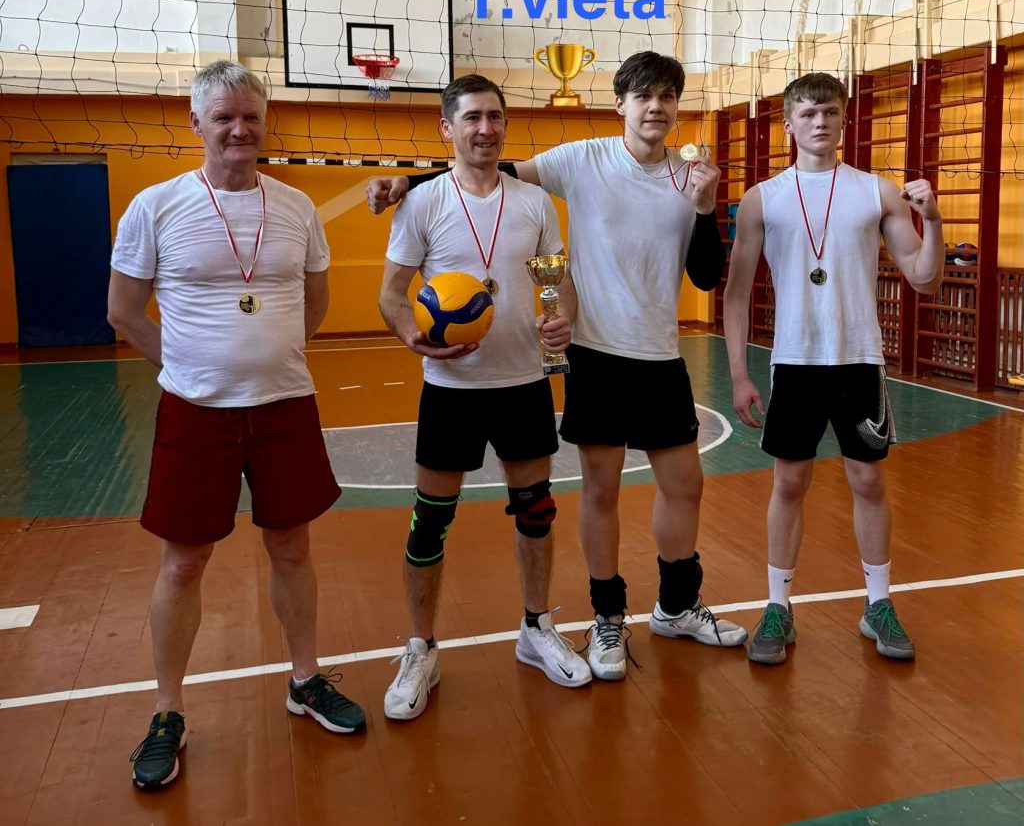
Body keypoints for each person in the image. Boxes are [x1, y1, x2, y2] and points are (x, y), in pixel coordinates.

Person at [368, 52, 747, 683]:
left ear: (678, 107)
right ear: (620, 104)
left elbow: (704, 276)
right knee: (595, 491)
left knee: (685, 485)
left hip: (656, 352)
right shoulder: (581, 159)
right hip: (593, 354)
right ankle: (605, 617)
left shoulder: (690, 178)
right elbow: (487, 164)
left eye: (667, 97)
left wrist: (707, 206)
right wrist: (407, 183)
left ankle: (676, 606)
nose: (656, 107)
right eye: (643, 96)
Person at [108, 60, 364, 791]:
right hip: (195, 412)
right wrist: (190, 366)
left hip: (285, 404)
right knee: (184, 563)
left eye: (251, 116)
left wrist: (272, 354)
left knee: (292, 548)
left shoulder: (296, 207)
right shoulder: (156, 207)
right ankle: (167, 712)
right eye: (224, 117)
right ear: (197, 123)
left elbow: (314, 299)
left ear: (264, 121)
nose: (239, 129)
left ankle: (305, 679)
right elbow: (123, 311)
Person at [378, 74, 592, 720]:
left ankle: (536, 627)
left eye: (494, 116)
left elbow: (554, 281)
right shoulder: (422, 203)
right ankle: (420, 647)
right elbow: (392, 293)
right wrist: (412, 336)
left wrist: (561, 316)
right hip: (451, 387)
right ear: (448, 128)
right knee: (430, 520)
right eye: (471, 117)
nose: (485, 128)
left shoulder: (534, 202)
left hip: (523, 382)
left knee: (536, 511)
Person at [722, 71, 944, 665]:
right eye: (808, 113)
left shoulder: (877, 192)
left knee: (868, 482)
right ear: (789, 125)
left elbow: (924, 278)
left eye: (830, 112)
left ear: (844, 119)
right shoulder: (762, 198)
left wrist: (933, 221)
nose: (820, 122)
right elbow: (736, 294)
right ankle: (778, 606)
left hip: (858, 361)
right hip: (795, 362)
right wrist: (739, 373)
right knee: (789, 483)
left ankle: (878, 603)